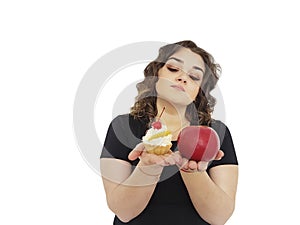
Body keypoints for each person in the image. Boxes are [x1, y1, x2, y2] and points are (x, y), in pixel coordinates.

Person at [100, 40, 238, 225]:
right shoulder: (123, 127)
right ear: (156, 75)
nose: (183, 78)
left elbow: (219, 217)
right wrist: (148, 167)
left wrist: (191, 169)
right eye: (173, 68)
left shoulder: (216, 132)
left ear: (199, 91)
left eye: (194, 77)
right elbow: (124, 212)